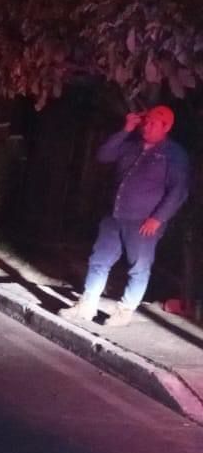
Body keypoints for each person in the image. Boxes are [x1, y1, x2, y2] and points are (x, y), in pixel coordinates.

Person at [59, 105, 190, 326]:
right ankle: (87, 305)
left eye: (153, 123)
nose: (147, 127)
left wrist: (157, 218)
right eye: (145, 121)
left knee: (139, 267)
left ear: (166, 127)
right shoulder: (132, 145)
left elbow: (179, 190)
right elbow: (103, 155)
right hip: (115, 215)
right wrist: (126, 129)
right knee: (99, 260)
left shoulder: (173, 154)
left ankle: (125, 311)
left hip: (144, 221)